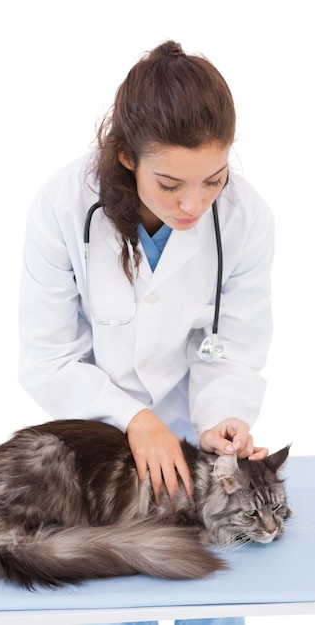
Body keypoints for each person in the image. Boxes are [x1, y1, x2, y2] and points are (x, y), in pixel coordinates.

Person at [18, 40, 274, 625]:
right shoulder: (61, 207)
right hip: (100, 452)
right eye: (170, 183)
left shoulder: (246, 217)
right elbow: (47, 356)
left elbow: (231, 343)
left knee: (210, 599)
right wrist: (134, 419)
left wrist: (223, 417)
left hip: (195, 449)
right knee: (119, 597)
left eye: (214, 179)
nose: (193, 204)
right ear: (126, 157)